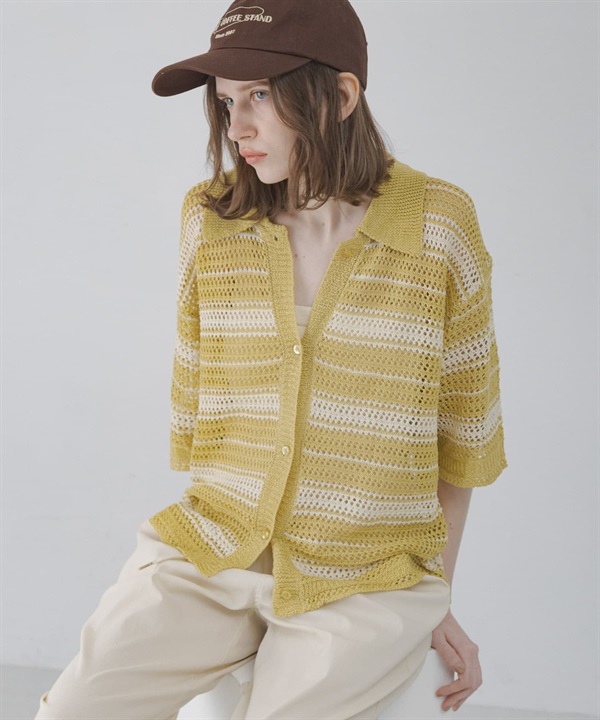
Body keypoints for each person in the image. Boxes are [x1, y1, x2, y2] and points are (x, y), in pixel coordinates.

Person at [35, 1, 507, 718]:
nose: (238, 128)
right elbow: (199, 406)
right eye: (227, 102)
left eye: (259, 94)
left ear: (340, 96)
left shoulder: (437, 224)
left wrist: (435, 595)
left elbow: (464, 436)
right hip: (212, 550)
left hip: (365, 576)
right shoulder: (212, 218)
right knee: (72, 709)